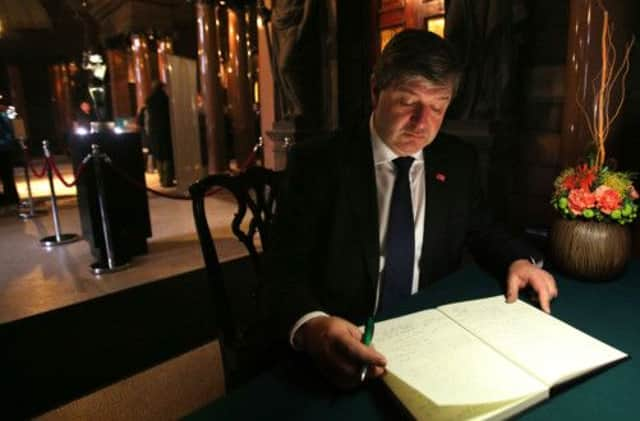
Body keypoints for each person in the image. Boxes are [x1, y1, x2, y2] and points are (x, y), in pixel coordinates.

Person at [265, 29, 557, 390]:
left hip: (430, 339)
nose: (423, 123)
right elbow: (282, 270)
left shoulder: (458, 160)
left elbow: (483, 229)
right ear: (375, 90)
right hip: (345, 341)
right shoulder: (319, 164)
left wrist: (518, 260)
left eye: (438, 107)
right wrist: (312, 325)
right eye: (408, 102)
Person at [145, 81, 174, 187]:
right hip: (165, 131)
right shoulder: (165, 99)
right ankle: (168, 180)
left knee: (159, 156)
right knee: (167, 155)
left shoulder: (149, 100)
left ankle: (162, 179)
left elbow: (148, 119)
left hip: (154, 132)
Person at [0, 102, 19, 208]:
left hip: (4, 148)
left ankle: (11, 199)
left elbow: (14, 117)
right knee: (7, 176)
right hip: (5, 146)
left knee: (7, 176)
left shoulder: (5, 111)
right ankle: (11, 198)